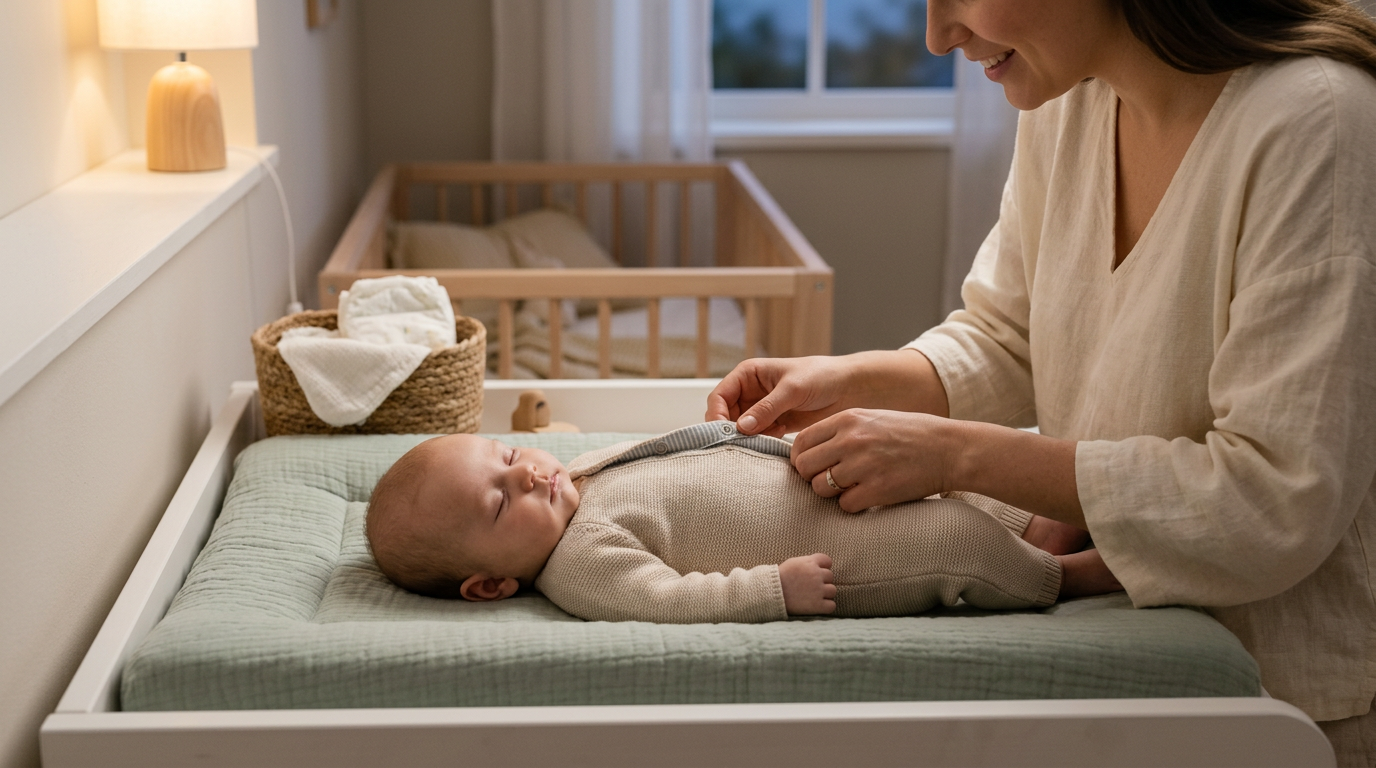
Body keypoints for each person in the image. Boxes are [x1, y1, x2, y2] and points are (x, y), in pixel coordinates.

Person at [706, 0, 1376, 763]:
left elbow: (1271, 501)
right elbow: (1010, 336)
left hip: (1286, 709)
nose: (938, 36)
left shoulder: (1319, 124)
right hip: (1136, 667)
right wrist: (851, 379)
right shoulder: (1073, 97)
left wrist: (955, 454)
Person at [365, 422, 1122, 623]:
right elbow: (670, 601)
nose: (528, 471)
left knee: (947, 493)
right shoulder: (580, 567)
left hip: (808, 481)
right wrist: (771, 590)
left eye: (506, 454)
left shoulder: (579, 476)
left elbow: (662, 452)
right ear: (492, 584)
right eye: (502, 500)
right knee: (947, 543)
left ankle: (1038, 517)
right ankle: (1066, 575)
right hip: (829, 551)